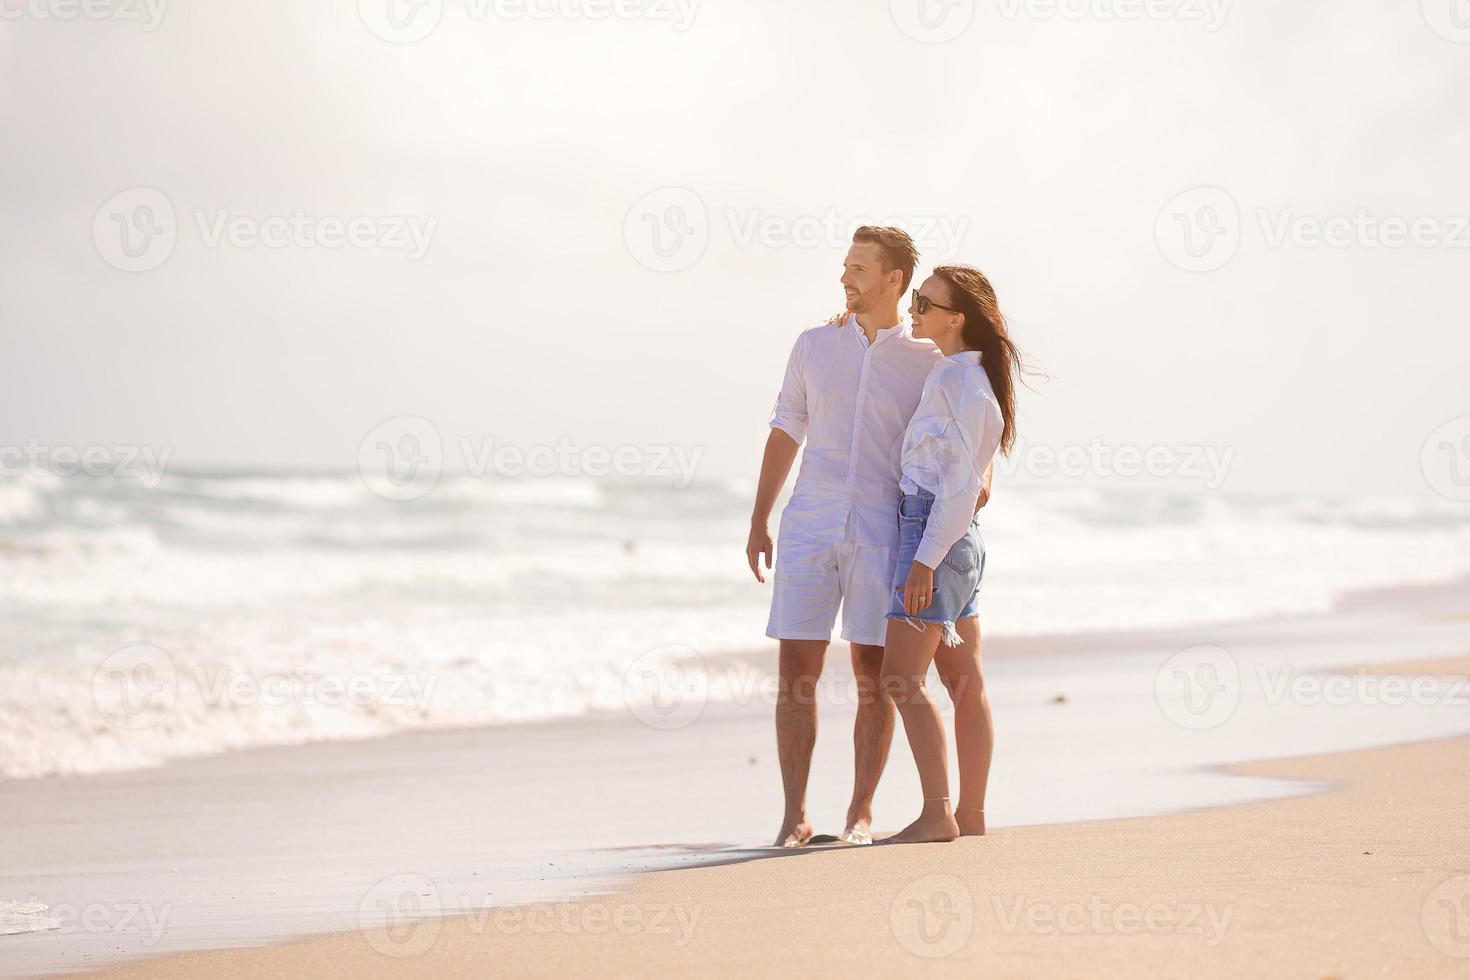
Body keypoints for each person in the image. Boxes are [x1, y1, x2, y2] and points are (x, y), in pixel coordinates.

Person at [746, 226, 939, 847]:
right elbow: (785, 427)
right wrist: (759, 519)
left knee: (874, 673)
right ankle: (794, 815)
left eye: (859, 268)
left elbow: (958, 433)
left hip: (883, 526)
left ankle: (860, 813)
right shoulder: (814, 345)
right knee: (795, 668)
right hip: (809, 521)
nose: (845, 277)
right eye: (844, 266)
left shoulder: (927, 361)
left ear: (894, 280)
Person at [877, 264, 1021, 844]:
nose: (914, 310)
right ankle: (973, 815)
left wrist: (922, 559)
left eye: (925, 303)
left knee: (900, 678)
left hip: (935, 532)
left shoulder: (963, 383)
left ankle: (939, 813)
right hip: (956, 536)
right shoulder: (959, 374)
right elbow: (970, 473)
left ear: (956, 319)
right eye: (915, 299)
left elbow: (960, 484)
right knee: (964, 680)